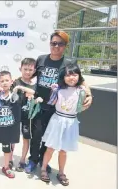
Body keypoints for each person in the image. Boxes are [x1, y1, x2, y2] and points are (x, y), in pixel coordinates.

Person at [25, 30, 93, 173]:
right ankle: (33, 160)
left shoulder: (69, 62)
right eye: (53, 43)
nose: (56, 46)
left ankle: (44, 160)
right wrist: (15, 82)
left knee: (47, 137)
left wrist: (89, 94)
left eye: (60, 44)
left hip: (55, 108)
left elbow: (81, 80)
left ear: (65, 46)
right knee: (36, 135)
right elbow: (29, 75)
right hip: (38, 104)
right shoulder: (41, 59)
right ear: (50, 44)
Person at [0, 71, 35, 179]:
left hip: (9, 132)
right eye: (2, 81)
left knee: (7, 150)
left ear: (11, 81)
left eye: (7, 80)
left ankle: (6, 167)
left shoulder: (17, 96)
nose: (4, 83)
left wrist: (19, 87)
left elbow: (32, 92)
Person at [40, 63, 88, 186]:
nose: (71, 78)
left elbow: (81, 108)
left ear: (79, 76)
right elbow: (51, 103)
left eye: (74, 75)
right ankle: (43, 169)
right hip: (58, 120)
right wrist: (53, 91)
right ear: (63, 77)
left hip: (71, 122)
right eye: (68, 75)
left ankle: (61, 172)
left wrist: (87, 94)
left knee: (63, 150)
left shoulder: (81, 91)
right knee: (50, 147)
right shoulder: (59, 89)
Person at [11, 58, 39, 172]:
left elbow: (37, 96)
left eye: (30, 69)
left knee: (26, 139)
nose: (28, 72)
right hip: (15, 116)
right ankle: (9, 158)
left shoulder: (35, 85)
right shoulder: (15, 82)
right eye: (25, 69)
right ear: (20, 69)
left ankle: (22, 160)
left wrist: (35, 98)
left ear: (34, 70)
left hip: (28, 118)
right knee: (11, 138)